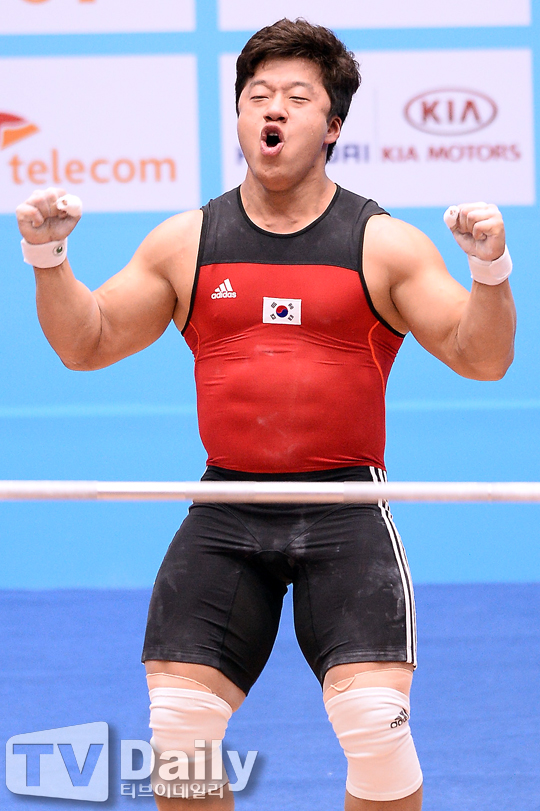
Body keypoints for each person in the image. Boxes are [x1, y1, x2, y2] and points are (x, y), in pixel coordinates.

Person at [16, 18, 515, 811]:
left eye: (296, 97)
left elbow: (482, 357)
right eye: (257, 96)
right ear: (241, 115)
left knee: (375, 728)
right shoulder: (187, 242)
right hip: (228, 506)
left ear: (333, 126)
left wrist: (489, 271)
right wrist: (49, 259)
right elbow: (88, 341)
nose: (272, 109)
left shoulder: (383, 244)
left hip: (346, 508)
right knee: (179, 735)